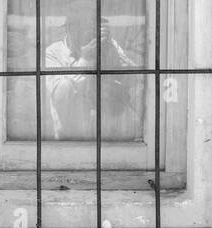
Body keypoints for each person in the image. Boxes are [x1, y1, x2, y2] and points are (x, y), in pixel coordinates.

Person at [44, 8, 141, 140]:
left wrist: (110, 50)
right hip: (70, 139)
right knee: (66, 84)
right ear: (69, 28)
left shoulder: (108, 45)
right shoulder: (53, 52)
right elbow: (61, 96)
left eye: (90, 26)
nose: (85, 32)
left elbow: (134, 78)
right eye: (79, 26)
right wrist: (85, 59)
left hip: (108, 138)